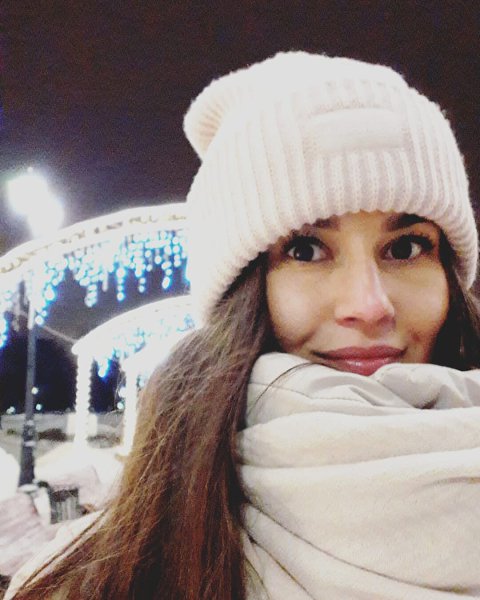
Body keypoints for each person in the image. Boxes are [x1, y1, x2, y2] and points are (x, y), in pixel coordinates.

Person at [6, 51, 480, 600]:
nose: (368, 305)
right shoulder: (98, 580)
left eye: (406, 247)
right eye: (306, 250)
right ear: (240, 293)